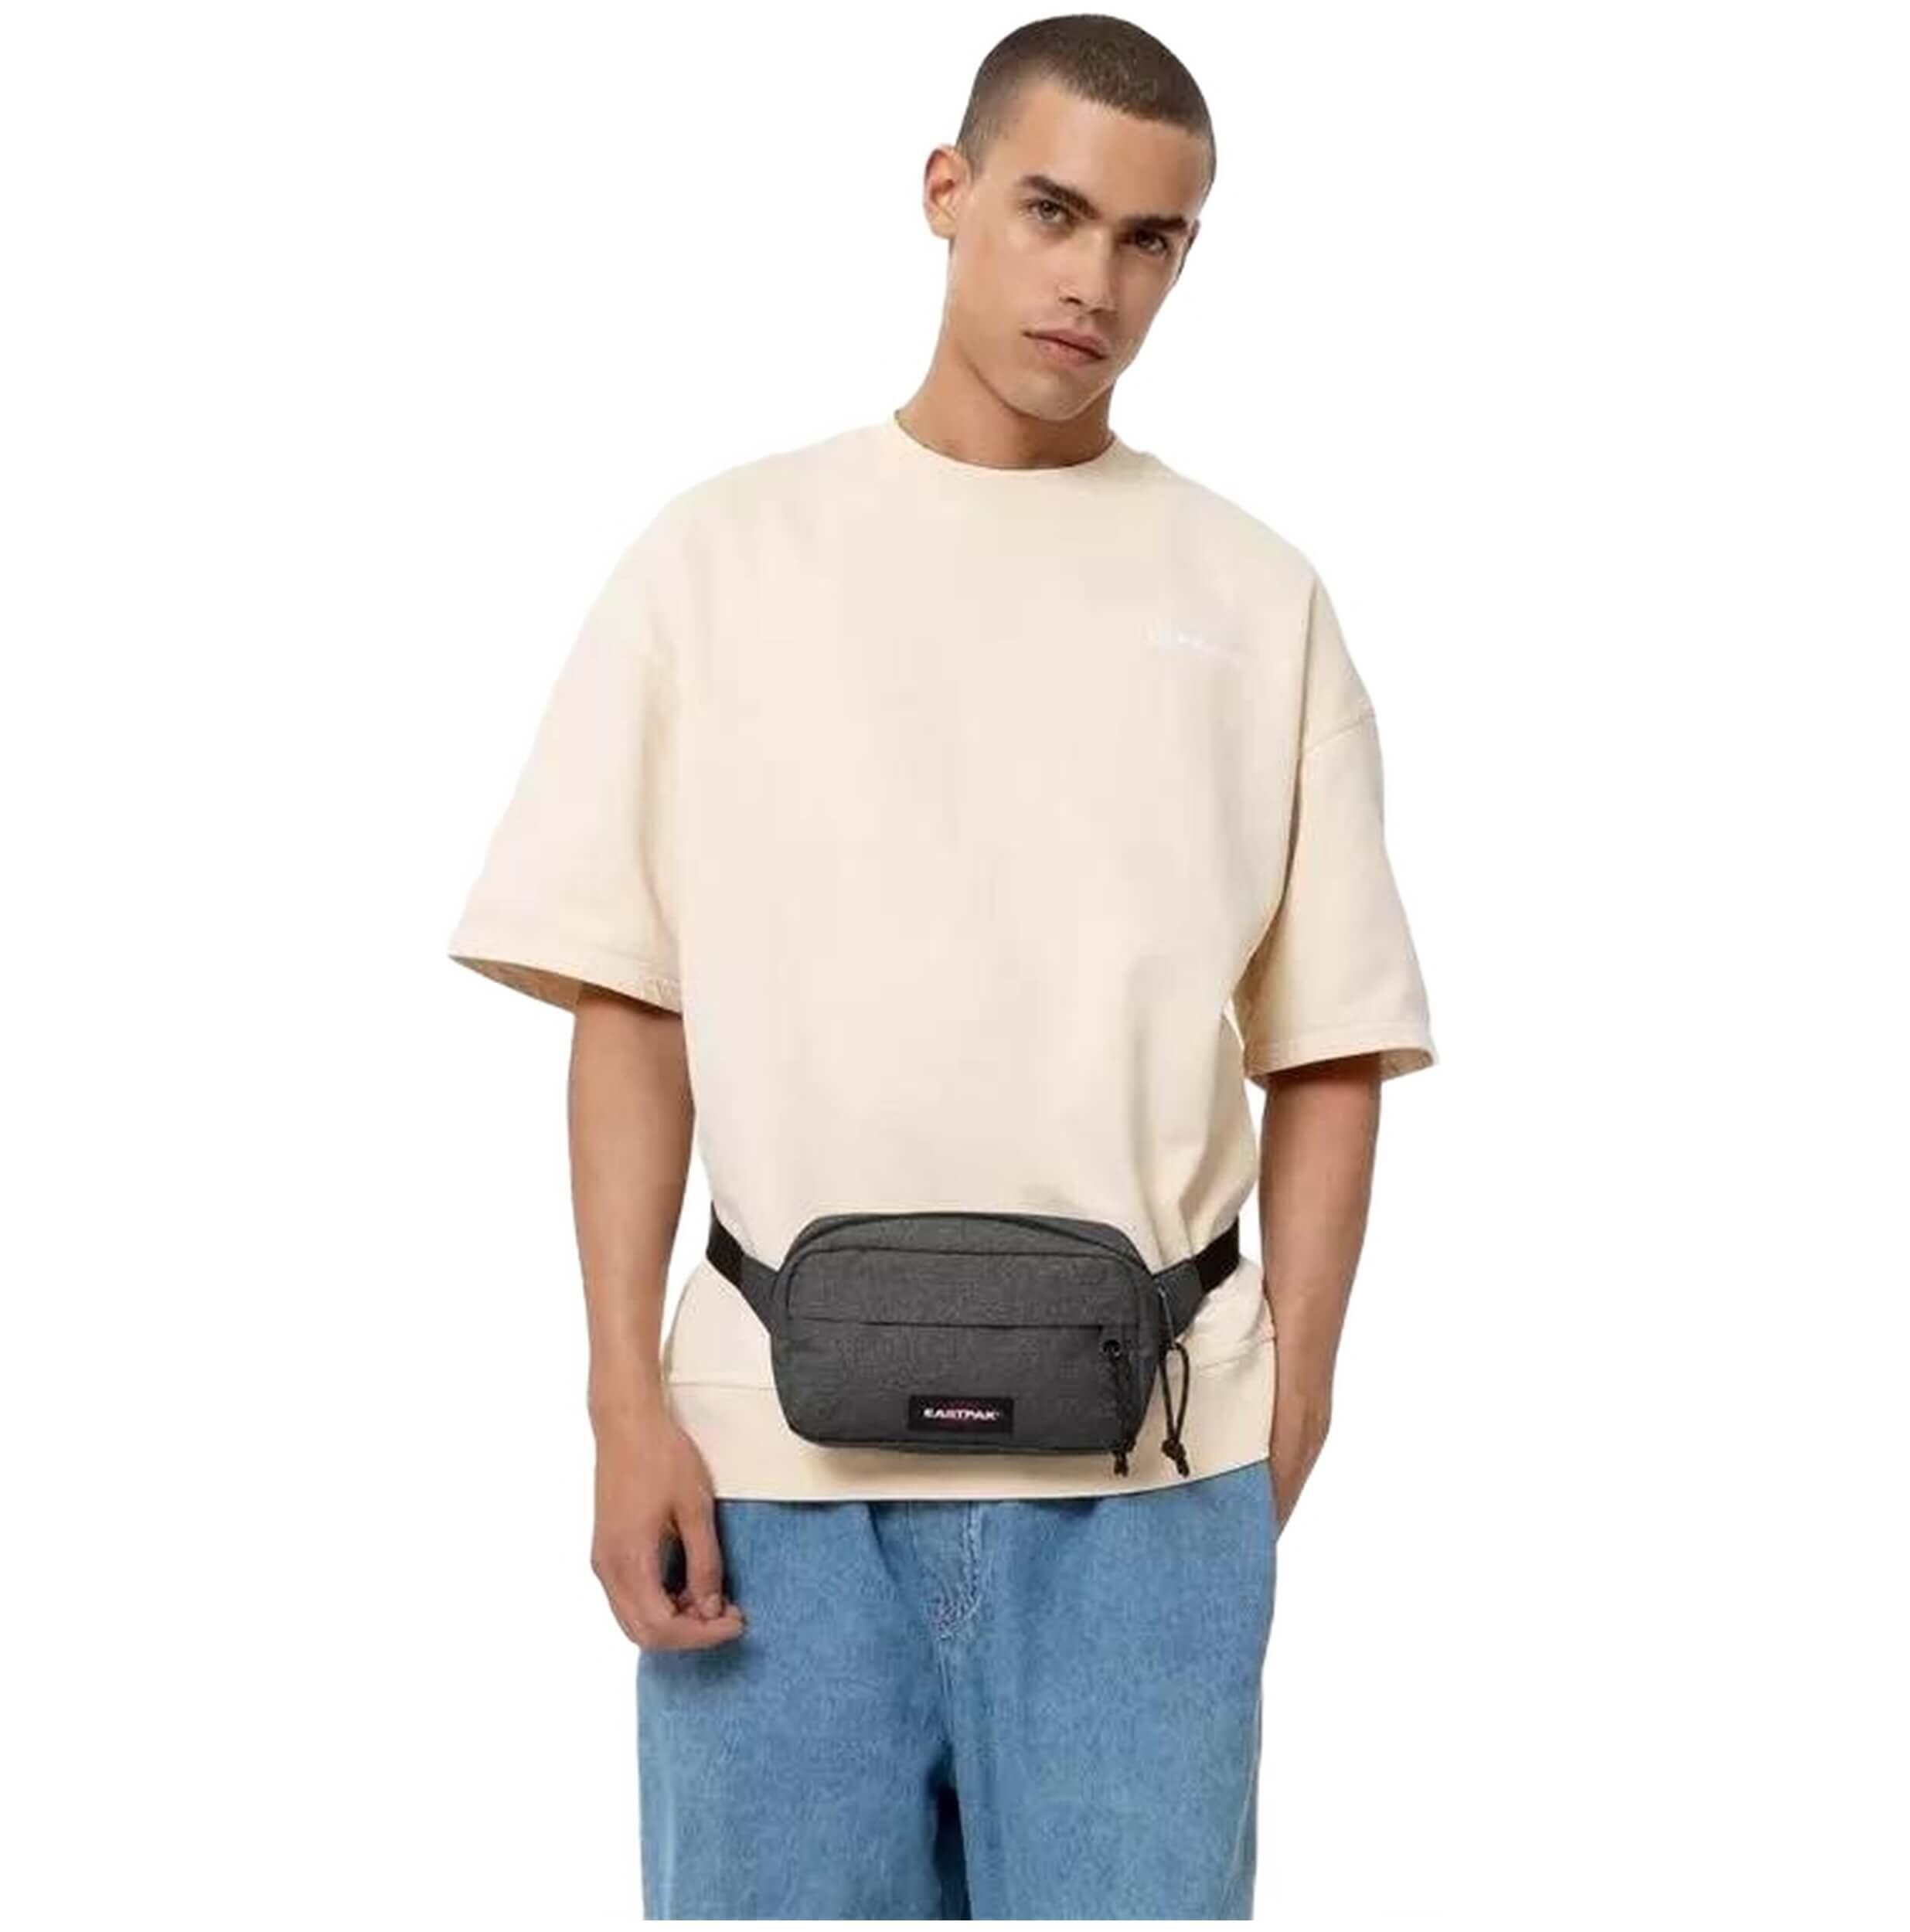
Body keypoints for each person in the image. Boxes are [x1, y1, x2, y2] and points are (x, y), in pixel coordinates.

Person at [446, 13, 1435, 1919]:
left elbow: (1326, 1040)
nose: (1093, 283)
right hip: (770, 1481)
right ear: (945, 191)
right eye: (1051, 211)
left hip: (1149, 1489)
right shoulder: (716, 563)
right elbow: (628, 1003)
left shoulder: (1253, 598)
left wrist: (1290, 1403)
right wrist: (621, 1399)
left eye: (1149, 239)